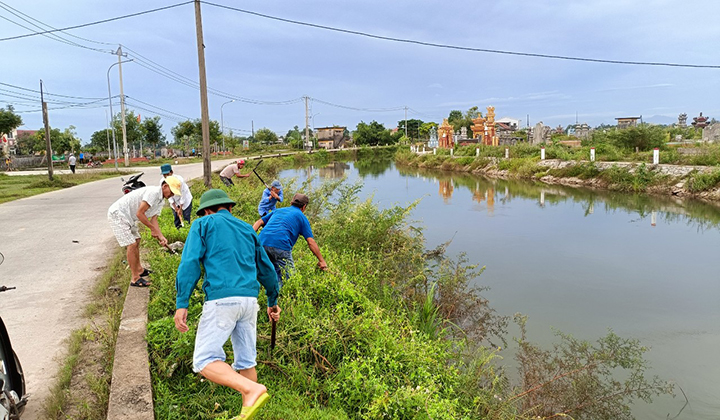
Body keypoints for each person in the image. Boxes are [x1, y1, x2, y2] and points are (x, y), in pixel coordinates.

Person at [174, 189, 279, 419]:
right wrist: (273, 300)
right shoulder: (246, 229)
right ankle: (247, 413)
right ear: (229, 208)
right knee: (246, 361)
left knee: (204, 360)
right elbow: (266, 269)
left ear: (206, 211)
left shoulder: (202, 225)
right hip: (250, 302)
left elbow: (190, 263)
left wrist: (182, 302)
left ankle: (252, 389)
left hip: (222, 301)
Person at [107, 176, 182, 287]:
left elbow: (154, 219)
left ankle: (139, 270)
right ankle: (135, 278)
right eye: (171, 191)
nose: (172, 195)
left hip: (128, 217)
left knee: (137, 240)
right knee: (132, 244)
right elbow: (140, 213)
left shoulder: (160, 201)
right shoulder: (153, 193)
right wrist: (152, 229)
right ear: (165, 186)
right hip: (118, 214)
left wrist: (161, 236)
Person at [252, 193, 327, 288]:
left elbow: (259, 222)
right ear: (304, 207)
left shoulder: (278, 211)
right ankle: (286, 296)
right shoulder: (301, 217)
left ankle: (274, 297)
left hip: (261, 243)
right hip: (280, 246)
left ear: (291, 202)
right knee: (291, 280)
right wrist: (322, 260)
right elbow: (311, 242)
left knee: (273, 274)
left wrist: (250, 236)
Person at [160, 163, 193, 229]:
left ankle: (187, 231)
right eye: (164, 175)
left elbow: (183, 195)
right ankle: (178, 231)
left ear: (171, 172)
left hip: (185, 200)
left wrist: (180, 208)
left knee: (186, 216)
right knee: (176, 217)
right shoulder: (163, 182)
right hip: (174, 201)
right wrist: (176, 208)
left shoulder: (179, 180)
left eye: (168, 174)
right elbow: (169, 197)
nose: (166, 176)